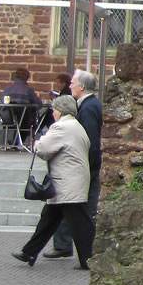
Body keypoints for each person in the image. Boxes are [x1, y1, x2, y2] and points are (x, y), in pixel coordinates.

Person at [12, 95, 93, 269]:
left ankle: (89, 259)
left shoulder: (61, 127)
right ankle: (29, 252)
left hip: (67, 182)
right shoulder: (76, 126)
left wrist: (37, 142)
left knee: (80, 223)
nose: (53, 113)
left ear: (61, 111)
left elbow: (43, 149)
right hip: (71, 181)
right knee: (48, 220)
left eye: (54, 110)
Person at [47, 70, 100, 260]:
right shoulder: (88, 105)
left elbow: (90, 140)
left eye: (73, 83)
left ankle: (82, 251)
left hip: (82, 168)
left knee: (78, 210)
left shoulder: (88, 108)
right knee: (66, 209)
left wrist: (86, 165)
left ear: (82, 86)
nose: (70, 86)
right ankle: (63, 245)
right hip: (81, 168)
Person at [1, 67, 42, 147]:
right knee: (28, 121)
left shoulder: (7, 89)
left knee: (19, 120)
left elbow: (2, 104)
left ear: (16, 76)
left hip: (8, 120)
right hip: (24, 120)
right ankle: (17, 143)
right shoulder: (28, 90)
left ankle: (12, 143)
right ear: (27, 78)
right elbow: (38, 104)